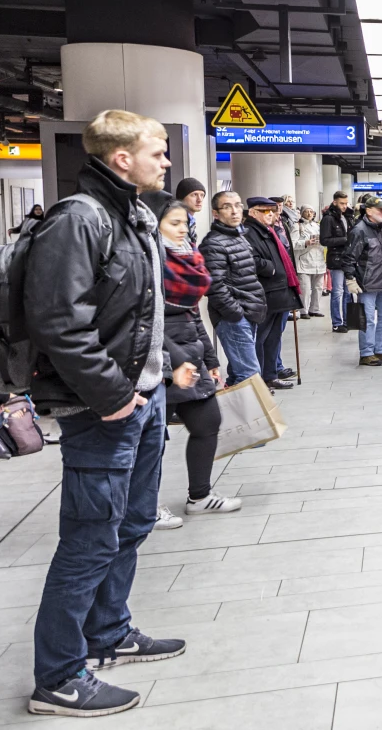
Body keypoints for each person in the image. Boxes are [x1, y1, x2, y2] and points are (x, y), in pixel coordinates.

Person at [24, 109, 190, 717]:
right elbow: (59, 322)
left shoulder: (134, 216)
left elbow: (139, 311)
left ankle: (108, 633)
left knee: (132, 523)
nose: (166, 161)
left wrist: (168, 363)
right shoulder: (80, 220)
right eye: (158, 151)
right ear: (122, 157)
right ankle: (59, 677)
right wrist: (113, 395)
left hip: (142, 401)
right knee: (89, 540)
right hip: (103, 410)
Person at [153, 198, 241, 526]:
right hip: (153, 358)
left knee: (207, 422)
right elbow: (142, 319)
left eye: (183, 222)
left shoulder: (188, 259)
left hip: (189, 354)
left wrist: (210, 356)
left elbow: (192, 315)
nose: (181, 229)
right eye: (173, 223)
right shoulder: (147, 261)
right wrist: (173, 360)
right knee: (150, 439)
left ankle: (200, 496)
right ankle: (145, 506)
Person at [199, 192, 267, 388]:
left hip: (247, 312)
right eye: (227, 206)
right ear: (215, 213)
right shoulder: (214, 243)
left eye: (238, 205)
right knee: (250, 375)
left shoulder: (240, 237)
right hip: (234, 317)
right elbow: (214, 285)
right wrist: (236, 313)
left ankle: (236, 417)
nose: (235, 210)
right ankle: (254, 418)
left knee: (240, 374)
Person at [243, 196, 300, 389]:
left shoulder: (270, 231)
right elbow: (251, 259)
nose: (270, 214)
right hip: (265, 292)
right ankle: (259, 379)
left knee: (274, 337)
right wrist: (272, 267)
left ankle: (270, 375)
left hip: (279, 291)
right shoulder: (250, 232)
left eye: (271, 211)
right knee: (261, 337)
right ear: (252, 212)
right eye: (264, 211)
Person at [340, 194, 382, 367]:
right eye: (381, 209)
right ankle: (366, 353)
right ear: (369, 210)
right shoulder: (359, 231)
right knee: (367, 319)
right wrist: (350, 279)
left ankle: (380, 349)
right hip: (367, 283)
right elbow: (349, 257)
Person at [321, 191, 356, 332]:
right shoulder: (328, 219)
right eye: (341, 203)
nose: (344, 206)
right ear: (334, 202)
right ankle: (337, 322)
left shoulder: (347, 217)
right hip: (336, 259)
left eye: (346, 203)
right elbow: (324, 240)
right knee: (337, 292)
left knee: (347, 291)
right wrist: (345, 240)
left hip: (348, 259)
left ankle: (348, 321)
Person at [292, 206, 325, 319]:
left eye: (312, 211)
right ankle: (303, 310)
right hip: (304, 260)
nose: (310, 213)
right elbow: (293, 244)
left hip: (319, 260)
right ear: (302, 213)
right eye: (307, 211)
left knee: (318, 287)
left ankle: (314, 309)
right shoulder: (297, 226)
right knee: (305, 288)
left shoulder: (318, 226)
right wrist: (305, 242)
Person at [174, 177, 207, 246]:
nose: (199, 200)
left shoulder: (190, 221)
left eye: (202, 195)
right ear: (182, 197)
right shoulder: (175, 222)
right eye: (194, 195)